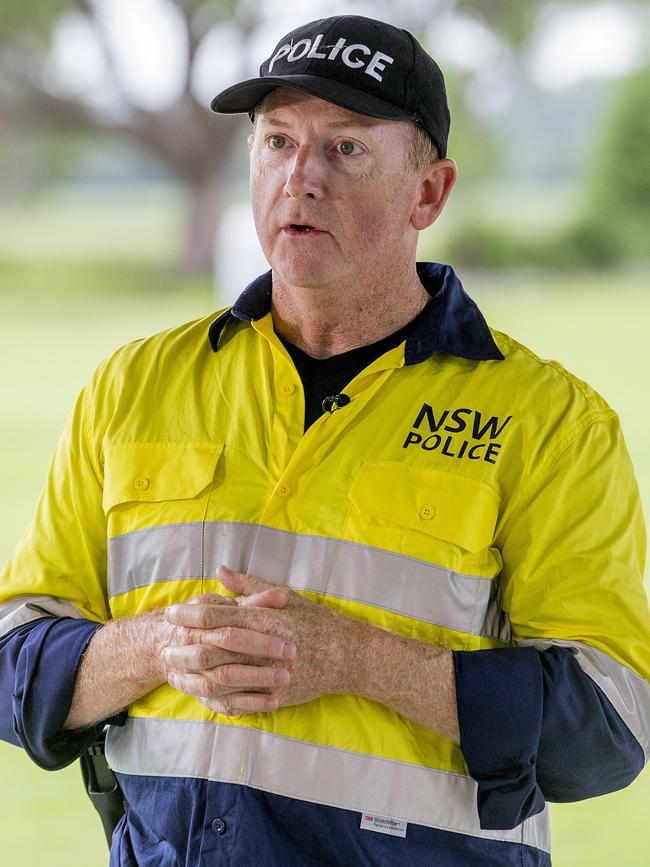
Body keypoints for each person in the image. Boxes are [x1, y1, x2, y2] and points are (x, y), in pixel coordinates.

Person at [1, 14, 648, 867]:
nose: (300, 179)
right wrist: (158, 643)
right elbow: (14, 661)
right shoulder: (135, 385)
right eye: (277, 142)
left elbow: (605, 730)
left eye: (346, 149)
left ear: (430, 192)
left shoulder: (551, 421)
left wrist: (359, 660)